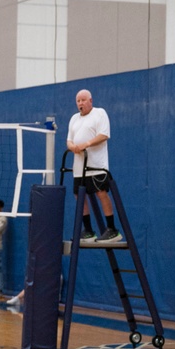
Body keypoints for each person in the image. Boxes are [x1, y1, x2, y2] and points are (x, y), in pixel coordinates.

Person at [67, 89, 121, 242]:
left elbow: (104, 135)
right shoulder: (74, 119)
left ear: (91, 100)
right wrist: (73, 147)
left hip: (96, 165)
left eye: (83, 100)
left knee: (101, 193)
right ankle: (88, 230)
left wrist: (87, 144)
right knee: (79, 195)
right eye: (78, 101)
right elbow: (69, 140)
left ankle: (112, 229)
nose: (81, 103)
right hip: (79, 167)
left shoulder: (99, 113)